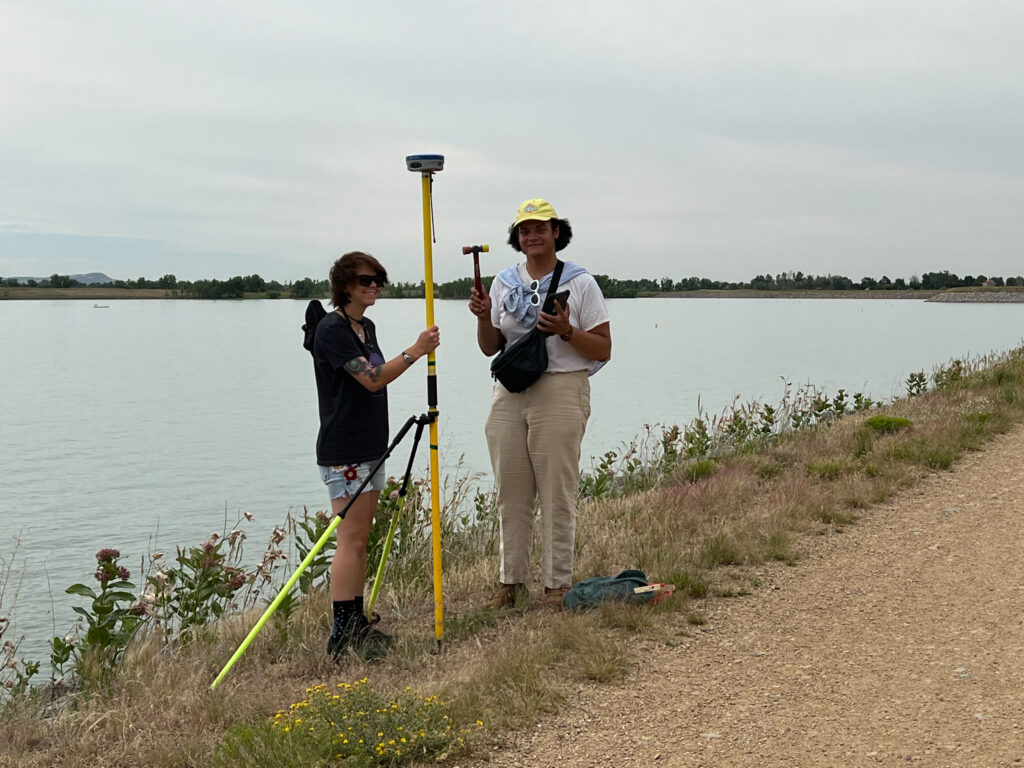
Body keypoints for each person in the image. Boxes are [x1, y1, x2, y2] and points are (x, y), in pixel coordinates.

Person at [468, 199, 611, 608]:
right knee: (510, 489)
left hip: (562, 388)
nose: (531, 236)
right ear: (517, 239)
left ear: (557, 234)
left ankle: (556, 585)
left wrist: (567, 330)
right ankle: (509, 584)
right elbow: (491, 347)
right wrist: (482, 316)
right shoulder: (502, 282)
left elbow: (603, 347)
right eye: (524, 231)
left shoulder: (581, 282)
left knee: (556, 490)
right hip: (511, 391)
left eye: (540, 229)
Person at [313, 251, 440, 657]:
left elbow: (377, 369)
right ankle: (341, 631)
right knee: (349, 540)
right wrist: (417, 350)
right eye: (366, 280)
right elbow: (371, 379)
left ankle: (357, 622)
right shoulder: (333, 329)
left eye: (379, 281)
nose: (374, 287)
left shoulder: (365, 326)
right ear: (345, 284)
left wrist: (401, 358)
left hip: (371, 443)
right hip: (344, 447)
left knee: (361, 539)